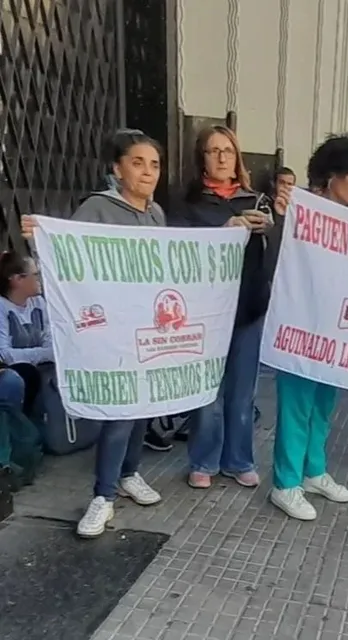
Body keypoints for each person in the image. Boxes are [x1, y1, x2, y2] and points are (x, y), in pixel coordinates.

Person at [22, 129, 167, 537]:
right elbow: (68, 258)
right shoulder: (98, 209)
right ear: (117, 168)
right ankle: (102, 496)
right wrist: (40, 242)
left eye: (154, 164)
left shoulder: (156, 214)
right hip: (112, 331)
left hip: (147, 330)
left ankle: (129, 473)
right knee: (121, 413)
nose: (147, 172)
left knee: (143, 408)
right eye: (137, 163)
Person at [170, 125, 286, 490]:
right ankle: (203, 459)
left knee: (242, 392)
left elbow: (280, 261)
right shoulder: (186, 202)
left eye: (228, 151)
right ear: (201, 158)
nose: (222, 158)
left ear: (238, 158)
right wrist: (225, 227)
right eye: (213, 151)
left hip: (249, 308)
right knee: (208, 393)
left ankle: (239, 459)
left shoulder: (256, 200)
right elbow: (177, 251)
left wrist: (275, 226)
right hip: (205, 313)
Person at [270, 135, 348, 520]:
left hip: (335, 329)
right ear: (331, 177)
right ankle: (285, 483)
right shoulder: (299, 211)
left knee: (323, 405)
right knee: (296, 405)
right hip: (299, 325)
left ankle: (313, 471)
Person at [0, 252, 49, 425]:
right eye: (35, 275)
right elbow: (4, 354)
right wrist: (44, 354)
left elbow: (49, 338)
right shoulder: (2, 308)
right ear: (16, 280)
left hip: (38, 364)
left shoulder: (38, 303)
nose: (39, 280)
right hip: (14, 371)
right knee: (26, 373)